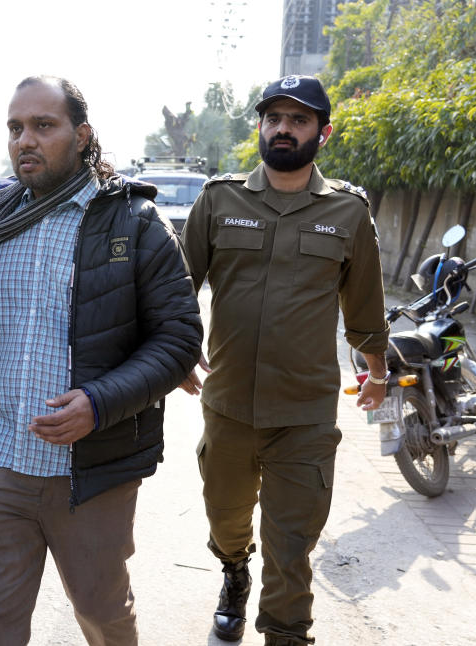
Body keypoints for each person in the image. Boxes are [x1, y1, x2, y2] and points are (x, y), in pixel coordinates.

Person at [0, 76, 203, 646]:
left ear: (82, 134)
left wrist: (98, 402)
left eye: (44, 126)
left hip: (91, 472)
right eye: (16, 127)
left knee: (102, 615)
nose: (25, 140)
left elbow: (179, 339)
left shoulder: (135, 224)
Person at [180, 75, 390, 646]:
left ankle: (285, 632)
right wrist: (173, 353)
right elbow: (176, 289)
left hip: (305, 416)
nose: (283, 128)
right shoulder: (219, 199)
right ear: (260, 127)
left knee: (292, 547)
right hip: (227, 407)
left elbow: (366, 305)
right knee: (225, 519)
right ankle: (232, 570)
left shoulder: (347, 212)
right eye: (273, 118)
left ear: (323, 133)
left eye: (298, 120)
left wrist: (377, 371)